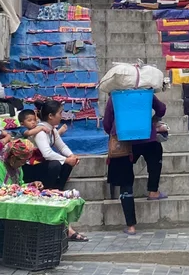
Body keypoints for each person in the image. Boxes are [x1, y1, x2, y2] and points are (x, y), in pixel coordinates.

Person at [102, 93, 168, 235]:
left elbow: (107, 124)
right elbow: (161, 109)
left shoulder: (115, 96)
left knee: (126, 184)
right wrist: (153, 120)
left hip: (123, 141)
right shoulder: (145, 93)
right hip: (146, 138)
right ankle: (153, 190)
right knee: (155, 152)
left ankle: (131, 226)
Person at [30, 99, 88, 241]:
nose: (61, 116)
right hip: (32, 168)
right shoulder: (41, 132)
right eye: (60, 113)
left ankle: (57, 189)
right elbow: (47, 153)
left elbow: (62, 147)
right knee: (56, 164)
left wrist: (71, 156)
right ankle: (49, 189)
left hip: (44, 166)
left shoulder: (53, 130)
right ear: (51, 116)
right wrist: (66, 159)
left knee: (67, 164)